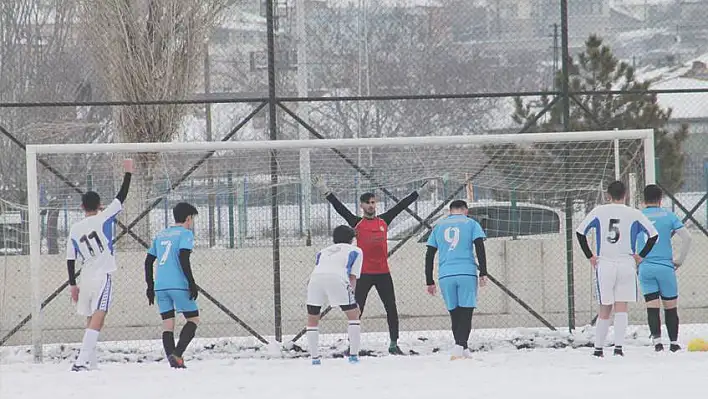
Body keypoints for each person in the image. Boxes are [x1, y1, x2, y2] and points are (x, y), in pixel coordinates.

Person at [313, 176, 426, 355]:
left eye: (373, 202)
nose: (371, 205)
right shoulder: (357, 223)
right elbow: (339, 207)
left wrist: (419, 192)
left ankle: (393, 343)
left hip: (383, 273)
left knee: (391, 307)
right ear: (361, 206)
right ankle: (353, 345)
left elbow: (401, 206)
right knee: (357, 310)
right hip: (364, 274)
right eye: (367, 203)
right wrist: (325, 190)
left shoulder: (384, 221)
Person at [576, 181, 658, 357]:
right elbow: (653, 235)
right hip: (626, 263)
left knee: (605, 307)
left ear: (608, 195)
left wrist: (590, 256)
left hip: (605, 263)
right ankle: (618, 348)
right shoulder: (634, 213)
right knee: (622, 306)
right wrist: (641, 255)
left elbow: (580, 232)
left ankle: (598, 349)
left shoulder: (599, 211)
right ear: (626, 195)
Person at [67, 158, 133, 371]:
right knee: (99, 316)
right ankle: (80, 361)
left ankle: (90, 362)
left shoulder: (75, 229)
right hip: (101, 275)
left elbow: (70, 258)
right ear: (99, 205)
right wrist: (128, 173)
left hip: (84, 277)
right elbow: (121, 196)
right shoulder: (104, 218)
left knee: (90, 317)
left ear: (81, 207)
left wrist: (72, 284)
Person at [425, 200, 487, 360]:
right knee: (466, 311)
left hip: (445, 274)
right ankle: (459, 346)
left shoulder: (439, 226)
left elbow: (430, 254)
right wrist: (483, 272)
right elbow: (480, 246)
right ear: (465, 210)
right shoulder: (471, 223)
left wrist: (429, 280)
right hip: (466, 272)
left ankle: (463, 348)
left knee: (455, 313)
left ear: (449, 211)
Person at [637, 184, 692, 352]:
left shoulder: (637, 216)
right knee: (670, 306)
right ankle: (674, 343)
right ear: (661, 200)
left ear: (643, 199)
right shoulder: (668, 215)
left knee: (652, 306)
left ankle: (657, 342)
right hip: (666, 267)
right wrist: (679, 260)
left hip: (645, 267)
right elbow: (687, 238)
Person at [144, 202, 200, 369]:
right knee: (193, 319)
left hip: (160, 286)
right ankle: (177, 354)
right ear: (188, 218)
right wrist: (191, 282)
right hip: (178, 285)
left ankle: (173, 361)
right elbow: (184, 257)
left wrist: (150, 286)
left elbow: (148, 262)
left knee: (168, 323)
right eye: (193, 219)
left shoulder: (161, 234)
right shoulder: (186, 234)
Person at [306, 225, 364, 365]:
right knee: (354, 315)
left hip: (314, 280)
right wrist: (352, 299)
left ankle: (315, 358)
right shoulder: (356, 251)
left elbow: (319, 267)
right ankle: (354, 356)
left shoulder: (322, 251)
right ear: (352, 239)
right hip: (338, 278)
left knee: (312, 319)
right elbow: (352, 277)